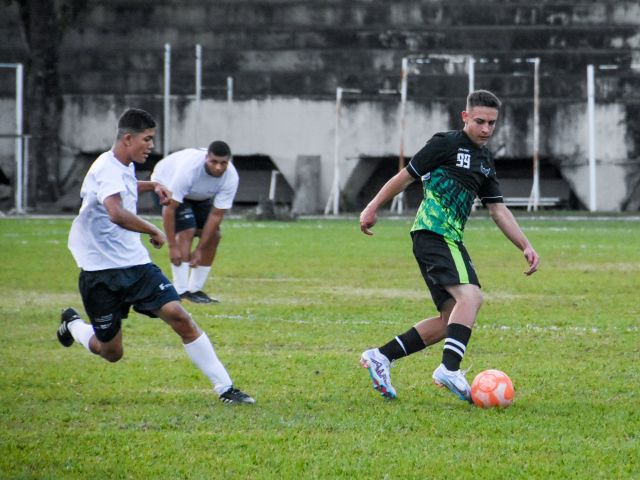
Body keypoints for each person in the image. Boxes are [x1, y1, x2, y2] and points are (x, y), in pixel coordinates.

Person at [56, 108, 254, 405]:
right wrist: (155, 229)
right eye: (147, 139)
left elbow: (124, 188)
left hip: (136, 265)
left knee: (180, 317)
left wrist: (153, 184)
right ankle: (73, 325)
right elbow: (115, 212)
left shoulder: (122, 165)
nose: (151, 145)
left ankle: (226, 388)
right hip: (100, 271)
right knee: (111, 351)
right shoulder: (106, 167)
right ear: (128, 139)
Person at [358, 90, 539, 403]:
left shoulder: (484, 161)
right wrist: (372, 207)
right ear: (465, 117)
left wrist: (524, 244)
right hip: (433, 232)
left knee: (449, 319)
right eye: (479, 121)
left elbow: (497, 209)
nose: (486, 128)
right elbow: (405, 177)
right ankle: (449, 368)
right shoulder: (446, 143)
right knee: (471, 296)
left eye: (492, 123)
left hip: (450, 238)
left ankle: (380, 356)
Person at [150, 141, 239, 304]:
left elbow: (216, 215)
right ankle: (181, 291)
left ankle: (195, 291)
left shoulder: (231, 177)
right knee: (187, 230)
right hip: (166, 185)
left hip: (199, 196)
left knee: (215, 236)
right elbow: (169, 209)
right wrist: (172, 247)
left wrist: (200, 249)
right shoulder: (189, 170)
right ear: (206, 158)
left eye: (223, 163)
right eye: (214, 162)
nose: (218, 167)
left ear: (229, 162)